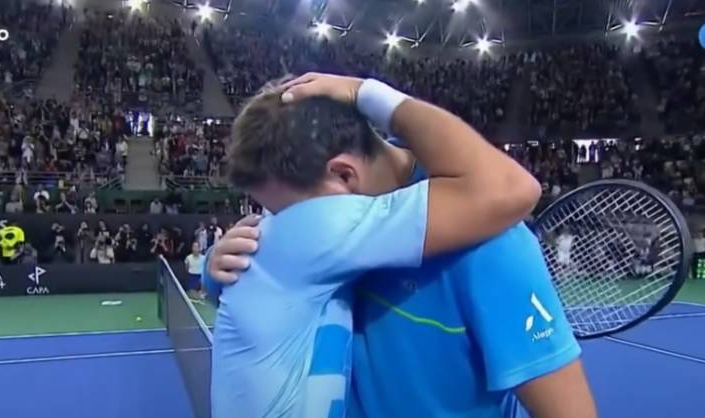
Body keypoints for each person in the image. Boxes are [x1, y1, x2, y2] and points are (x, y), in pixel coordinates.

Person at [208, 74, 596, 418]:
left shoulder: (492, 244)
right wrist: (222, 265)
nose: (282, 231)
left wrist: (365, 92)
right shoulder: (337, 217)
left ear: (344, 175)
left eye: (290, 218)